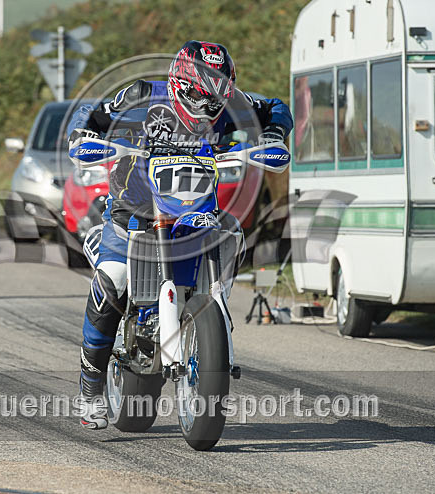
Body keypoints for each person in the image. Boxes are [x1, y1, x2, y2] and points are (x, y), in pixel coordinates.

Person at [66, 41, 293, 429]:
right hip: (134, 210)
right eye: (205, 98)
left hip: (195, 212)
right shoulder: (140, 95)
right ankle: (90, 391)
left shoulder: (232, 103)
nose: (212, 109)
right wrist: (82, 137)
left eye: (219, 99)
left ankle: (210, 321)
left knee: (234, 233)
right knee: (112, 282)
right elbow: (94, 113)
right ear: (181, 86)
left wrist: (272, 136)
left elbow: (275, 108)